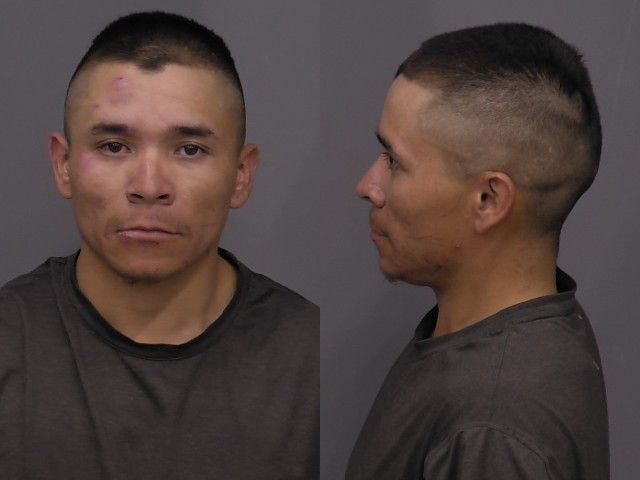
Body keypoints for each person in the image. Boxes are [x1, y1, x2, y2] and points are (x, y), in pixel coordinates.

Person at [0, 11, 318, 480]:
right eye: (113, 146)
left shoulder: (312, 358)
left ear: (241, 175)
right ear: (63, 165)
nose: (149, 187)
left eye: (189, 149)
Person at [347, 23, 608, 479]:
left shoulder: (492, 432)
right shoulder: (525, 334)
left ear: (488, 200)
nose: (368, 186)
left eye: (394, 162)